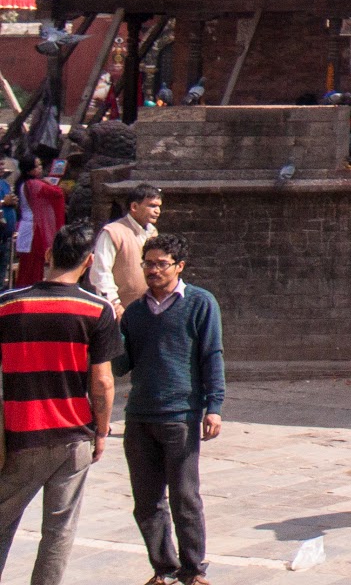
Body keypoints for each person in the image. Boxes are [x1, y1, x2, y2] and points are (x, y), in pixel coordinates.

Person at [0, 221, 119, 585]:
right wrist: (101, 431)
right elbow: (102, 382)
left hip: (20, 434)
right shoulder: (98, 310)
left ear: (49, 255)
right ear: (88, 262)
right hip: (73, 436)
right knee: (59, 530)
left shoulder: (7, 305)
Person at [116, 232, 224, 585]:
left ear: (179, 266)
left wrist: (214, 406)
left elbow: (212, 355)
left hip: (180, 415)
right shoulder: (133, 312)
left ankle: (194, 570)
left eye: (161, 264)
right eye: (148, 264)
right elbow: (123, 363)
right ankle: (164, 568)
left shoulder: (200, 303)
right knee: (146, 502)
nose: (153, 270)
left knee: (185, 498)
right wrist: (106, 333)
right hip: (140, 414)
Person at [90, 182, 162, 312]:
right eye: (152, 206)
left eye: (158, 206)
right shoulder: (113, 232)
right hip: (120, 310)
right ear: (134, 206)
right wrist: (115, 306)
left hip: (149, 309)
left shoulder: (152, 233)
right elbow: (100, 273)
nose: (157, 211)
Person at [15, 150, 65, 287]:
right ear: (29, 169)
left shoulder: (26, 183)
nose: (40, 168)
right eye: (37, 166)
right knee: (33, 266)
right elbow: (57, 194)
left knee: (28, 266)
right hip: (34, 230)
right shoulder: (34, 184)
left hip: (29, 228)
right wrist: (51, 183)